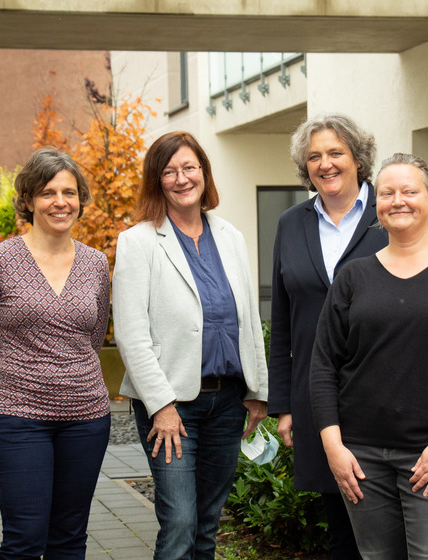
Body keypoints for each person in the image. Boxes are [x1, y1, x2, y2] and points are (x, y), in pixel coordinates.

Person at [310, 153, 428, 559]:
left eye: (410, 191)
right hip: (361, 459)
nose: (398, 200)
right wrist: (333, 447)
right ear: (376, 205)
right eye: (387, 193)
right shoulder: (353, 276)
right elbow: (324, 364)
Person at [112, 131, 268, 560]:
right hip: (171, 407)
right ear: (156, 181)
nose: (181, 178)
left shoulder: (231, 237)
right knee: (180, 521)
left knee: (208, 520)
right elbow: (130, 333)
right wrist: (161, 405)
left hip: (228, 402)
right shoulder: (138, 242)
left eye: (189, 167)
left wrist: (258, 393)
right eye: (169, 171)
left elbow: (248, 320)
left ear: (204, 172)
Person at [0, 148, 111, 559]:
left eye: (69, 192)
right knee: (24, 539)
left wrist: (68, 377)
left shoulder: (96, 263)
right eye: (47, 193)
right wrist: (5, 393)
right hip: (18, 422)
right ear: (28, 200)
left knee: (70, 537)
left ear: (81, 199)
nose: (60, 202)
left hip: (86, 419)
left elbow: (92, 338)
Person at [268, 113, 387, 558]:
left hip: (384, 395)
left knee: (388, 529)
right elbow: (283, 322)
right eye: (314, 156)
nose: (326, 164)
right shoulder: (290, 223)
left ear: (357, 158)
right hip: (317, 398)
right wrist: (283, 405)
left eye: (336, 152)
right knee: (340, 529)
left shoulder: (389, 212)